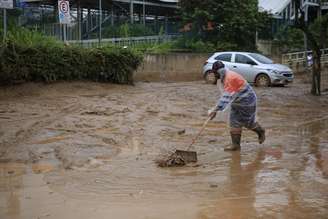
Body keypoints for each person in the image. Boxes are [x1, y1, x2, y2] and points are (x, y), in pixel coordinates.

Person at [208, 61, 265, 151]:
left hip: (247, 101)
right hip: (236, 100)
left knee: (247, 122)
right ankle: (236, 145)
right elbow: (226, 96)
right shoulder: (225, 76)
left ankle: (260, 131)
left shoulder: (230, 78)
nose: (215, 75)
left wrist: (215, 110)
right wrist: (215, 110)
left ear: (219, 72)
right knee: (234, 121)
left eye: (215, 73)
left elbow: (226, 97)